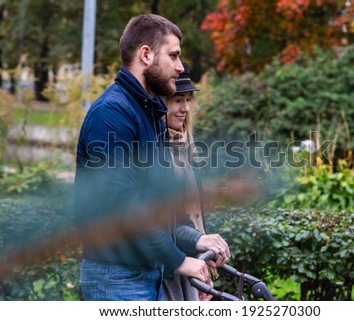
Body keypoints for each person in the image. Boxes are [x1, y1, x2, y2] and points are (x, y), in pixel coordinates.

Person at [74, 14, 229, 301]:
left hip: (146, 274)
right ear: (146, 55)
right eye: (173, 56)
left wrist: (197, 239)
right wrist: (180, 261)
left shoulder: (152, 112)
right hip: (117, 277)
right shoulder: (112, 114)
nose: (180, 67)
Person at [162, 62, 216, 301]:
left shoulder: (186, 147)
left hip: (191, 263)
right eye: (177, 100)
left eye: (188, 100)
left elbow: (194, 215)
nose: (185, 108)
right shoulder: (155, 149)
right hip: (168, 264)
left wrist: (204, 266)